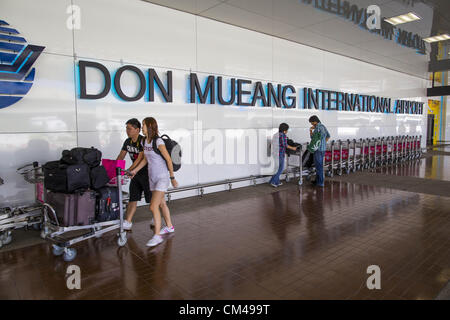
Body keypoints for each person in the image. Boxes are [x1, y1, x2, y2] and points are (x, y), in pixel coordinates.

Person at [130, 117, 179, 247]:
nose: (142, 127)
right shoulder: (144, 141)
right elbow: (145, 160)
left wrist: (172, 178)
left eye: (144, 125)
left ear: (150, 127)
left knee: (153, 206)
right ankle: (169, 226)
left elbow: (168, 160)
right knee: (162, 204)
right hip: (152, 177)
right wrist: (134, 171)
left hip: (162, 178)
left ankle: (157, 236)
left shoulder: (158, 141)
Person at [117, 118, 151, 231]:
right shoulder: (127, 141)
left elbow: (139, 159)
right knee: (133, 198)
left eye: (130, 128)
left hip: (147, 173)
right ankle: (128, 221)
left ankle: (157, 218)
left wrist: (128, 170)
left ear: (137, 129)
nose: (127, 131)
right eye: (126, 128)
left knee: (152, 199)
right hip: (135, 174)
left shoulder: (143, 140)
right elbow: (121, 156)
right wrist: (116, 169)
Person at [269, 123, 298, 188]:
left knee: (277, 168)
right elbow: (285, 145)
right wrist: (293, 148)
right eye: (287, 130)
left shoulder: (275, 135)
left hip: (274, 153)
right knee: (281, 168)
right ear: (285, 130)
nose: (287, 131)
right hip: (280, 153)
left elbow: (271, 144)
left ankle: (275, 181)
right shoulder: (283, 135)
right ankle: (274, 181)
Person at [308, 115, 330, 187]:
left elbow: (313, 139)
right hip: (323, 149)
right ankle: (318, 181)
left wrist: (311, 131)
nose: (311, 124)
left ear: (315, 121)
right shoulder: (323, 126)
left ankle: (320, 183)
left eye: (311, 123)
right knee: (319, 165)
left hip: (318, 150)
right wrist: (323, 143)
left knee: (319, 166)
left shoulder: (317, 128)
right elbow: (328, 136)